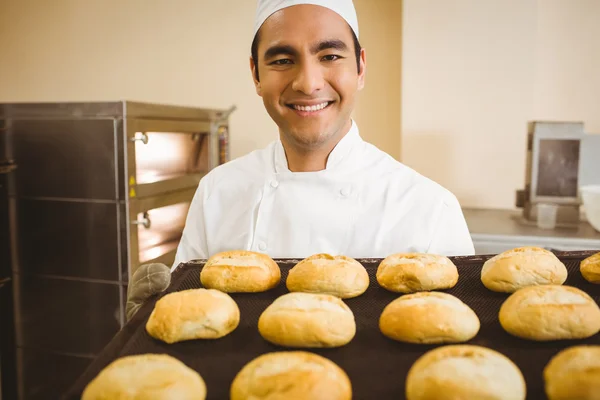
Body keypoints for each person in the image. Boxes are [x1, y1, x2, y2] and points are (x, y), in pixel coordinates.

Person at [126, 0, 474, 320]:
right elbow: (189, 317)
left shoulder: (429, 209)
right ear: (256, 76)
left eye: (330, 56)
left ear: (361, 68)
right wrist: (152, 319)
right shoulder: (217, 191)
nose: (308, 83)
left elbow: (455, 356)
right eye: (282, 60)